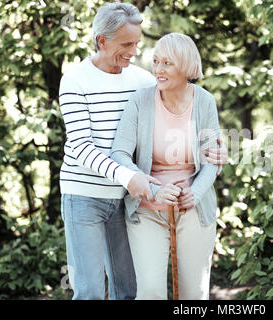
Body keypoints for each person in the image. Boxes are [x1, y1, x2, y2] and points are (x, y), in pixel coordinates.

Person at [58, 3, 226, 300]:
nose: (135, 52)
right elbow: (81, 146)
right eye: (127, 44)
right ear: (102, 41)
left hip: (125, 198)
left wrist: (214, 156)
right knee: (91, 292)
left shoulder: (143, 81)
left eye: (137, 43)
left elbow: (179, 114)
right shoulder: (74, 80)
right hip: (86, 195)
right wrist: (133, 178)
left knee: (129, 291)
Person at [110, 32, 221, 300]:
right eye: (156, 61)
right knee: (150, 292)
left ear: (185, 67)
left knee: (193, 294)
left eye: (167, 63)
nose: (157, 70)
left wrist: (196, 192)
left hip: (193, 207)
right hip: (147, 208)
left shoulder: (204, 101)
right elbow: (119, 154)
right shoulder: (140, 101)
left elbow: (213, 159)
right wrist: (151, 189)